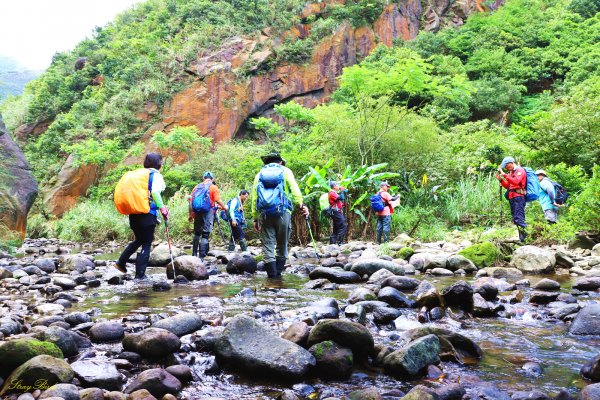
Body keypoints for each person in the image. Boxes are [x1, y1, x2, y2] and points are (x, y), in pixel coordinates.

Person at [252, 152, 308, 279]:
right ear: (280, 161)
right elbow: (294, 189)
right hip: (283, 212)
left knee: (268, 246)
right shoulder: (286, 171)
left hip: (265, 214)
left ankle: (272, 278)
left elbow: (255, 198)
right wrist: (301, 204)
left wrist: (255, 217)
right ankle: (278, 276)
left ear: (266, 162)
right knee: (282, 244)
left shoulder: (259, 175)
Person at [113, 152, 168, 281]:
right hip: (147, 214)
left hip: (133, 214)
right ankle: (140, 275)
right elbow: (155, 192)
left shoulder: (138, 174)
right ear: (158, 164)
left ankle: (120, 263)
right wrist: (163, 208)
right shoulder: (155, 175)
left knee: (139, 240)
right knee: (147, 243)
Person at [189, 171, 227, 259]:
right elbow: (217, 200)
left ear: (203, 178)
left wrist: (191, 214)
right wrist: (224, 207)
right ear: (212, 179)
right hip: (208, 212)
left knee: (197, 233)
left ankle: (194, 254)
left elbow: (191, 202)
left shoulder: (196, 187)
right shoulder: (213, 187)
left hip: (197, 211)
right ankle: (202, 257)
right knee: (205, 234)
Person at [496, 157, 528, 242]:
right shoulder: (511, 173)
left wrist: (505, 175)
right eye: (505, 167)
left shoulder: (520, 170)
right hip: (512, 197)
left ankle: (529, 235)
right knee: (515, 219)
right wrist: (501, 180)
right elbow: (508, 186)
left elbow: (516, 182)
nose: (506, 168)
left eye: (506, 165)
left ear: (511, 162)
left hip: (518, 197)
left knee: (519, 219)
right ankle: (522, 239)